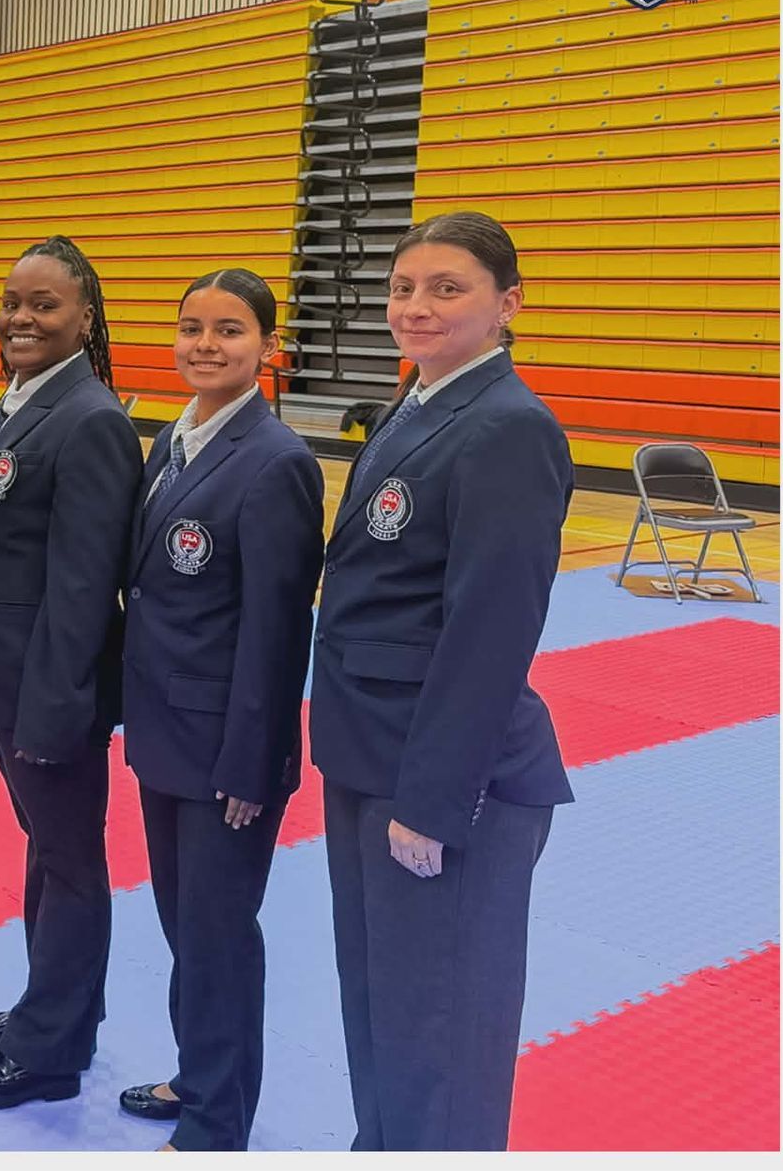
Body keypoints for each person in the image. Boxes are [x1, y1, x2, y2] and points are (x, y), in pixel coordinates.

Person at [312, 210, 574, 1151]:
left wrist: (432, 799)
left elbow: (491, 632)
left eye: (446, 288)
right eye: (403, 288)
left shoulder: (506, 426)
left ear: (506, 305)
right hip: (367, 752)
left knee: (442, 1031)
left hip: (444, 778)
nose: (416, 306)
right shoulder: (419, 403)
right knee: (380, 1004)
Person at [116, 269, 325, 1151]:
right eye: (192, 327)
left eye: (230, 330)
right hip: (166, 727)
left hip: (226, 750)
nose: (207, 344)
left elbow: (278, 632)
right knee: (184, 925)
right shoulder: (175, 437)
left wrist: (253, 760)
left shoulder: (277, 462)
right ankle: (199, 1073)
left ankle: (214, 1126)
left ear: (266, 347)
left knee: (217, 936)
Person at [0, 235, 142, 1110]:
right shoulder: (22, 400)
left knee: (68, 862)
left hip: (47, 690)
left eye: (44, 305)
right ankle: (58, 1008)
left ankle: (49, 1051)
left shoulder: (91, 419)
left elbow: (83, 584)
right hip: (1, 679)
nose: (22, 317)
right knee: (48, 853)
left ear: (85, 319)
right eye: (13, 301)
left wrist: (56, 707)